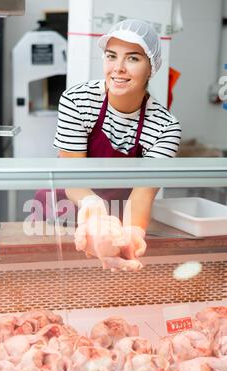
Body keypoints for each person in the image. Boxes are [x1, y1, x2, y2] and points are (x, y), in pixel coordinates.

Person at [35, 18, 181, 270]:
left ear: (151, 68)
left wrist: (131, 236)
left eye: (133, 58)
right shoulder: (77, 101)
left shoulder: (165, 126)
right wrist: (94, 211)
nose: (119, 68)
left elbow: (143, 193)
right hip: (61, 218)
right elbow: (74, 179)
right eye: (111, 56)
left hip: (119, 222)